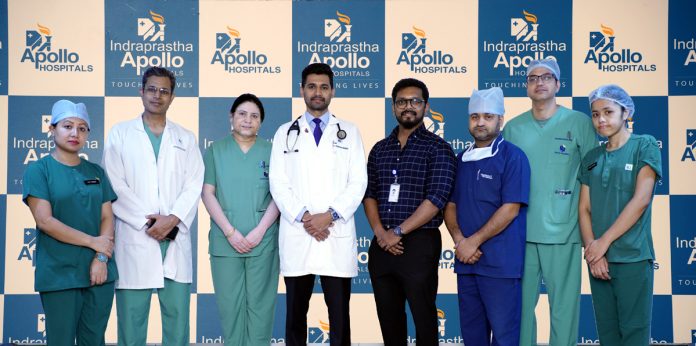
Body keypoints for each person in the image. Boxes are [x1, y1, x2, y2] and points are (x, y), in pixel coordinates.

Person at [102, 66, 204, 346]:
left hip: (174, 239)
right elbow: (115, 185)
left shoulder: (186, 137)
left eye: (164, 91)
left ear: (172, 97)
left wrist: (172, 219)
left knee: (177, 325)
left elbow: (194, 184)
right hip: (136, 237)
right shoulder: (120, 134)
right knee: (131, 326)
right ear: (141, 91)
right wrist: (149, 223)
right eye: (152, 89)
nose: (157, 96)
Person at [269, 62, 367, 346]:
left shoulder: (348, 131)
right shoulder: (284, 132)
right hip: (300, 233)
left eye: (324, 87)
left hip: (334, 233)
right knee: (295, 317)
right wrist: (306, 218)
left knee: (339, 318)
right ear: (301, 90)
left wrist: (330, 215)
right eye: (311, 86)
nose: (317, 92)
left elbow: (358, 182)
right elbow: (278, 182)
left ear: (332, 91)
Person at [502, 58, 597, 346]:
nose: (539, 82)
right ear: (526, 86)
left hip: (565, 231)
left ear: (558, 84)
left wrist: (590, 232)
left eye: (546, 77)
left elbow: (593, 176)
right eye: (532, 78)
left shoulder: (579, 123)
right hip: (521, 234)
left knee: (564, 311)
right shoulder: (513, 129)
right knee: (520, 313)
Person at [364, 78, 456, 346]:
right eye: (402, 102)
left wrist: (399, 232)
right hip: (382, 244)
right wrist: (382, 233)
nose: (408, 107)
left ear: (425, 107)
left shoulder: (438, 149)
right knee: (389, 320)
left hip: (419, 244)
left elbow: (436, 198)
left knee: (424, 319)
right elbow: (369, 195)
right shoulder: (379, 149)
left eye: (415, 101)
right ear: (393, 107)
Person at [23, 99, 118, 345]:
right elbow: (45, 221)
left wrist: (100, 258)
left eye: (82, 128)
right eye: (67, 126)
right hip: (59, 274)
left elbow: (107, 217)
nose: (75, 133)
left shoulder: (96, 171)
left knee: (94, 340)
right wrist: (94, 243)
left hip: (99, 272)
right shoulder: (39, 170)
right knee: (61, 341)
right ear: (52, 129)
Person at [444, 87, 530, 346]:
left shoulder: (513, 157)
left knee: (504, 337)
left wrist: (474, 242)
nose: (480, 122)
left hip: (500, 266)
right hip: (467, 263)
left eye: (488, 116)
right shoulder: (459, 159)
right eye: (475, 116)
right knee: (472, 337)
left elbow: (511, 208)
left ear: (500, 120)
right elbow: (450, 205)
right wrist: (460, 240)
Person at [578, 85, 661, 346]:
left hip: (632, 256)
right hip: (598, 261)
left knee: (634, 334)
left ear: (625, 112)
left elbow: (641, 200)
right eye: (595, 114)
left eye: (608, 112)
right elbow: (584, 208)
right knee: (608, 335)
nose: (601, 119)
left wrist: (603, 244)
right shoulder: (591, 157)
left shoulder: (644, 145)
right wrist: (594, 251)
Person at [201, 93, 280, 345]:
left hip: (263, 240)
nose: (248, 120)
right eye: (242, 114)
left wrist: (259, 231)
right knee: (230, 309)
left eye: (254, 116)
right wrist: (230, 232)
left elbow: (280, 195)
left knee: (261, 309)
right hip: (226, 242)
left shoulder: (273, 151)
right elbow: (207, 192)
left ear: (261, 122)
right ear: (231, 117)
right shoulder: (215, 150)